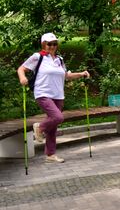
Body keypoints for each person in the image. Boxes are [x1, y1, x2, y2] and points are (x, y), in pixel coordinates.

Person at [17, 32, 90, 163]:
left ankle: (50, 154)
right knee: (58, 117)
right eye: (49, 44)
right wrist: (22, 77)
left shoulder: (59, 60)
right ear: (44, 44)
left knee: (54, 125)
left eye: (54, 44)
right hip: (43, 93)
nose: (52, 46)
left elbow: (66, 76)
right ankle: (39, 128)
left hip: (58, 95)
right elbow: (21, 69)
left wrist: (81, 74)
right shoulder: (37, 57)